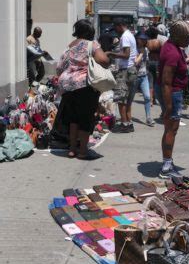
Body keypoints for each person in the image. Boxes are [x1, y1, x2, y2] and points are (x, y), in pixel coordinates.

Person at [56, 19, 110, 160]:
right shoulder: (92, 44)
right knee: (85, 119)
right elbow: (104, 60)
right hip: (84, 85)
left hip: (67, 86)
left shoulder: (70, 46)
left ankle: (72, 150)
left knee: (73, 119)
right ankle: (82, 151)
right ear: (90, 32)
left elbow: (59, 67)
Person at [157, 20, 189, 178]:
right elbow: (166, 81)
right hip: (173, 93)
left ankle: (168, 161)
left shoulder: (172, 46)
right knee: (172, 129)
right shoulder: (172, 51)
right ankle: (166, 166)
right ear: (178, 36)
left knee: (170, 129)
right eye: (187, 37)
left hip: (174, 92)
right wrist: (169, 105)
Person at [106, 19, 138, 133]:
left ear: (120, 26)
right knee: (127, 99)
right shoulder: (130, 35)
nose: (115, 30)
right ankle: (128, 123)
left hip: (125, 70)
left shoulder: (125, 36)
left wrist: (111, 54)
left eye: (115, 28)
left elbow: (126, 54)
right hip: (131, 70)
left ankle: (124, 124)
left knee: (120, 99)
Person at [135, 32, 155, 127]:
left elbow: (146, 62)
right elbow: (136, 62)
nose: (143, 41)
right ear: (137, 39)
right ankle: (126, 118)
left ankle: (148, 118)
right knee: (129, 99)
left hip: (144, 76)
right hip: (134, 77)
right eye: (141, 39)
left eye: (144, 39)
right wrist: (141, 53)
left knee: (147, 97)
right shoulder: (134, 49)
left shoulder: (146, 49)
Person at [146, 26, 167, 107]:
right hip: (158, 63)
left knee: (150, 82)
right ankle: (159, 98)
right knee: (158, 82)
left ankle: (151, 100)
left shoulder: (148, 42)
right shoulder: (159, 41)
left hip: (150, 62)